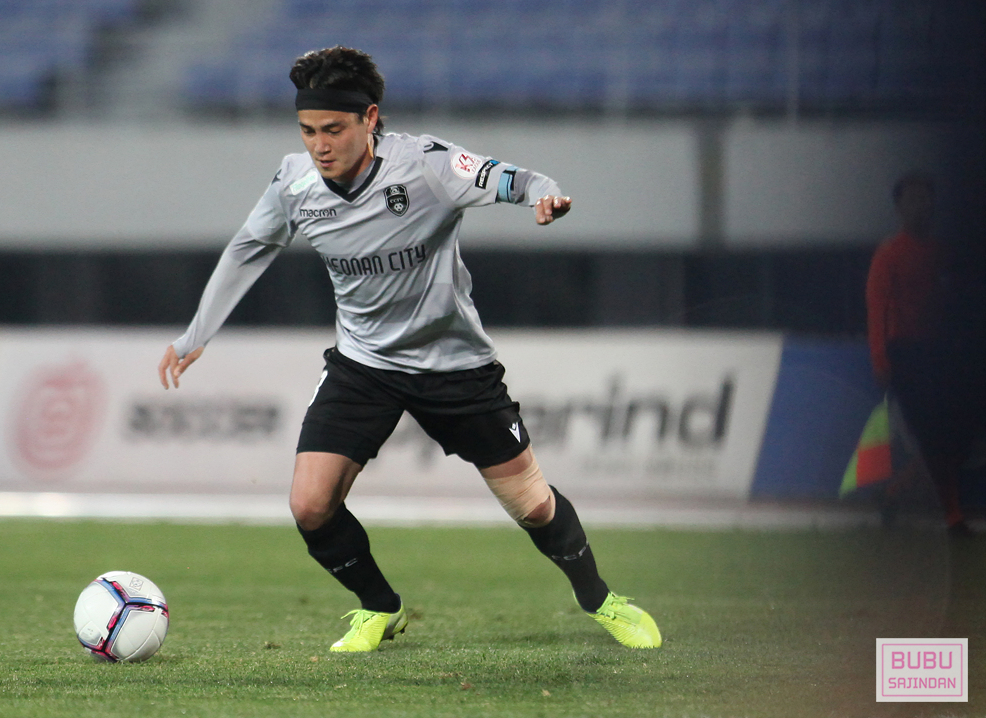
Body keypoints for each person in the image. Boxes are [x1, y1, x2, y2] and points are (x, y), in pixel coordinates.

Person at [158, 46, 662, 651]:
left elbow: (517, 180)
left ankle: (600, 599)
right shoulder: (294, 182)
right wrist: (197, 332)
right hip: (364, 365)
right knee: (310, 506)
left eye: (333, 129)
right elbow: (249, 247)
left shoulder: (427, 165)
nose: (320, 146)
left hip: (455, 366)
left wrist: (546, 195)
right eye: (308, 131)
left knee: (532, 506)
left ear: (370, 118)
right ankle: (380, 607)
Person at [866, 172, 974, 536]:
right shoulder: (889, 254)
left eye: (925, 198)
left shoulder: (943, 252)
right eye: (912, 199)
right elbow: (877, 309)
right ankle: (953, 516)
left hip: (942, 355)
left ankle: (894, 493)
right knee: (935, 438)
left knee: (947, 441)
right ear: (899, 207)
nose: (920, 206)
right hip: (908, 357)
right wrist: (881, 359)